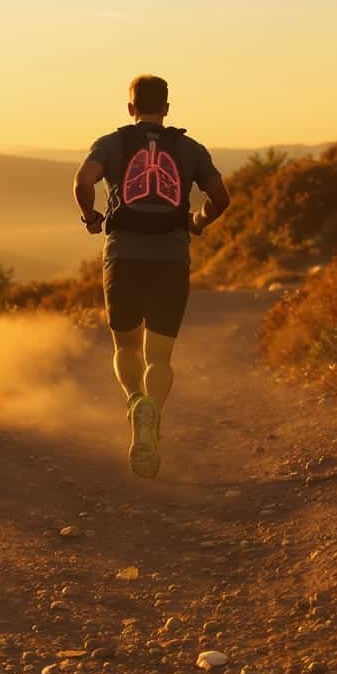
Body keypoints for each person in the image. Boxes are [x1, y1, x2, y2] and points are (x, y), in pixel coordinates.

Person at [72, 75, 230, 479]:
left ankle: (135, 401)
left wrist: (92, 218)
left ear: (131, 108)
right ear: (167, 108)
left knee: (126, 346)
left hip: (123, 257)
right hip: (171, 260)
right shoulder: (190, 148)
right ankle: (153, 413)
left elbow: (83, 181)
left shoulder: (113, 144)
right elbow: (221, 198)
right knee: (159, 356)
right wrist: (197, 221)